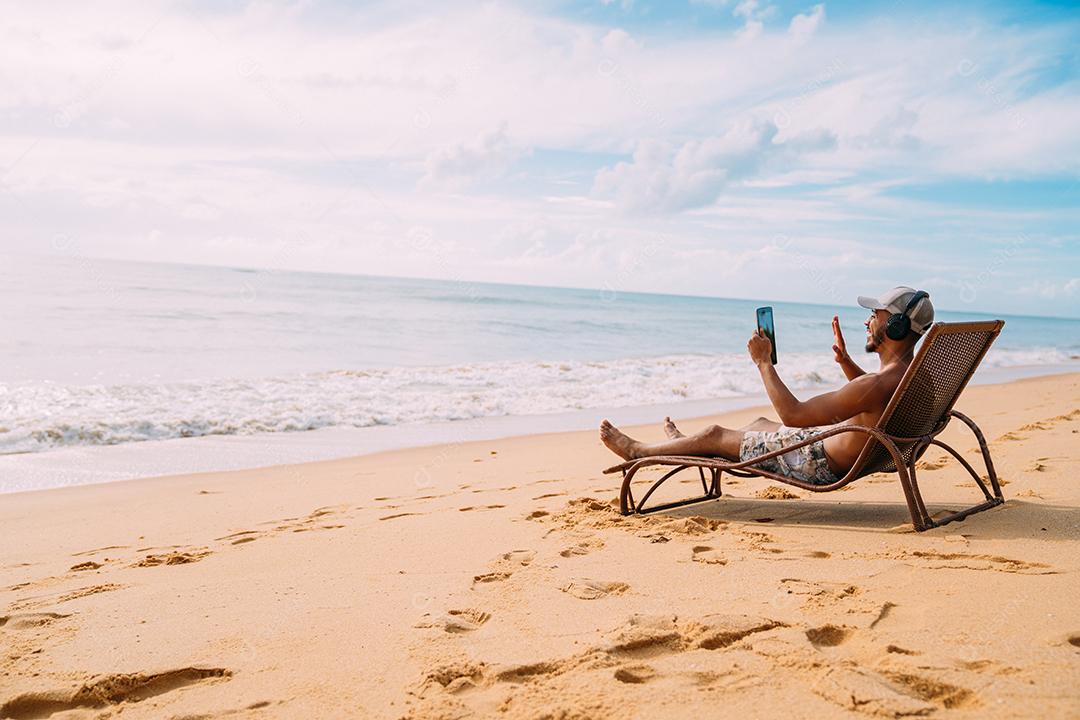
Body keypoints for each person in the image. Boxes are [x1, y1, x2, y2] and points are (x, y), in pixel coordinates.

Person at [599, 287, 935, 485]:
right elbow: (878, 403)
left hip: (815, 460)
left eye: (874, 314)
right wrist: (847, 362)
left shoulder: (876, 383)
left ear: (895, 324)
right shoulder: (916, 376)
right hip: (838, 449)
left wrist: (763, 361)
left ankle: (639, 451)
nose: (867, 320)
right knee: (759, 425)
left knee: (715, 434)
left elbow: (792, 414)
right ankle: (687, 445)